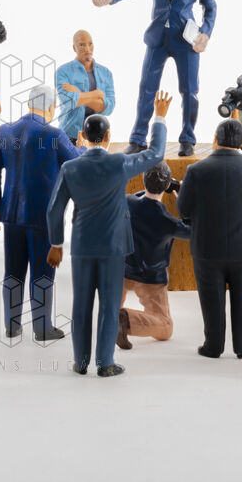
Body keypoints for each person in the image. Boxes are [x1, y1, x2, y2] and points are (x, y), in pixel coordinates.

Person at [47, 94, 171, 376]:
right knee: (110, 304)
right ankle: (105, 363)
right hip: (113, 246)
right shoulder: (119, 163)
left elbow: (54, 209)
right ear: (108, 136)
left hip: (82, 246)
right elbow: (155, 154)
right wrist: (160, 116)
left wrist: (56, 243)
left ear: (82, 136)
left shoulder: (70, 167)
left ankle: (80, 362)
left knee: (81, 305)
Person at [93, 0, 217, 157]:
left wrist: (205, 32)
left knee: (190, 90)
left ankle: (187, 139)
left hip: (185, 41)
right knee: (146, 89)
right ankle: (138, 138)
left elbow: (210, 7)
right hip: (157, 38)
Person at [0, 84, 79, 340]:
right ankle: (42, 328)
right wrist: (82, 147)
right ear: (52, 107)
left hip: (12, 214)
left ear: (29, 103)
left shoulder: (6, 130)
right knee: (42, 273)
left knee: (13, 271)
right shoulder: (54, 134)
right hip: (43, 217)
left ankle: (12, 325)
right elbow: (76, 164)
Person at [177, 118, 242, 359]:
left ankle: (212, 346)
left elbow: (184, 211)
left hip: (207, 249)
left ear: (215, 139)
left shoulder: (195, 170)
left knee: (210, 300)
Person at [118, 161, 191, 348]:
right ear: (167, 186)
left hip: (121, 270)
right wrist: (183, 200)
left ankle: (111, 317)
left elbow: (136, 198)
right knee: (165, 327)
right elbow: (192, 230)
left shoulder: (126, 201)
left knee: (112, 303)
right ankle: (127, 319)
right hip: (150, 278)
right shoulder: (167, 221)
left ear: (144, 180)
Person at [55, 29, 116, 143]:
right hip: (69, 136)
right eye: (81, 45)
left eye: (90, 44)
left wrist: (79, 94)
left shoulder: (106, 73)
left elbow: (109, 108)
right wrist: (96, 94)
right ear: (74, 48)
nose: (87, 49)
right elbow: (68, 101)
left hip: (98, 136)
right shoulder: (63, 71)